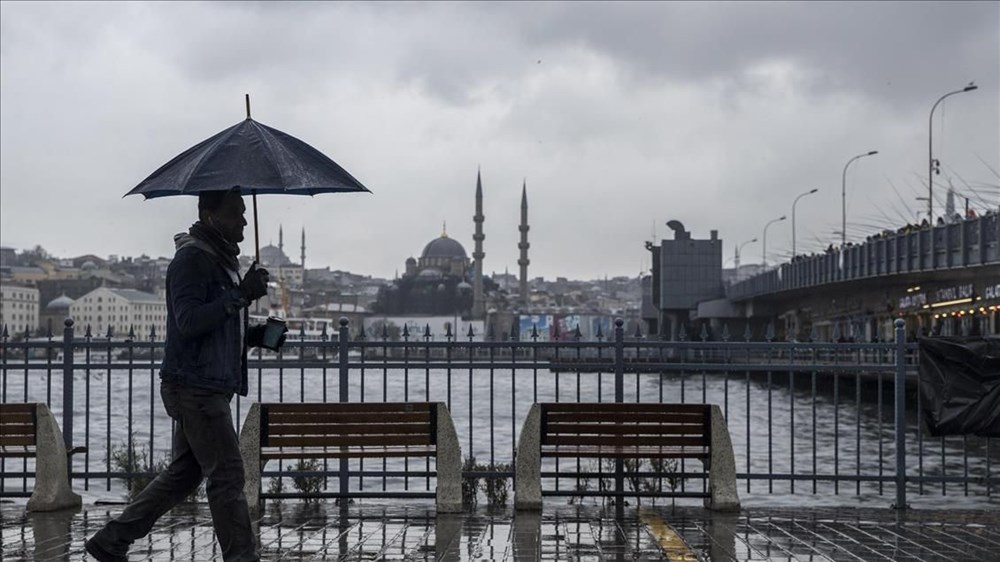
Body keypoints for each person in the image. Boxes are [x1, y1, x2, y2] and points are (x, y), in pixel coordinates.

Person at [86, 189, 284, 562]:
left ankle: (111, 540)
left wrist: (259, 334)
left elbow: (220, 323)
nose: (244, 220)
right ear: (210, 216)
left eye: (244, 213)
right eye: (235, 213)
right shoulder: (192, 259)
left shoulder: (222, 260)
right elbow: (189, 321)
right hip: (195, 386)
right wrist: (241, 295)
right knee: (226, 476)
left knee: (184, 475)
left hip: (207, 384)